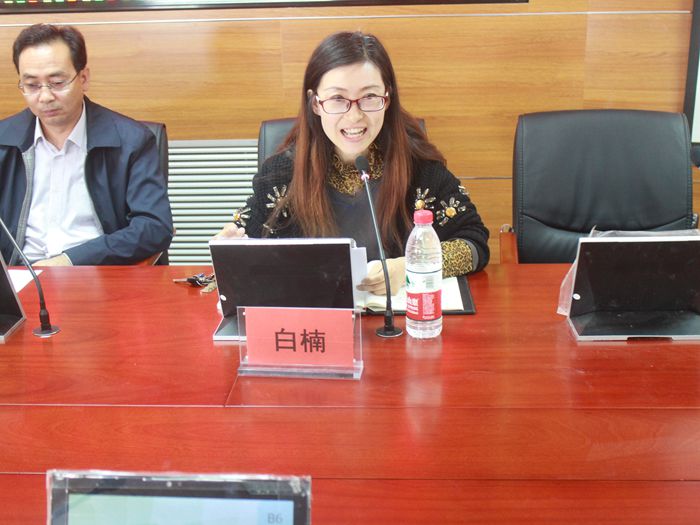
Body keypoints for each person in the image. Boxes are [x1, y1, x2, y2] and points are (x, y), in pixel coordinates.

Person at [217, 31, 489, 293]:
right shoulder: (281, 175)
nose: (355, 116)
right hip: (319, 317)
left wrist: (411, 265)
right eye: (338, 99)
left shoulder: (419, 167)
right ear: (315, 104)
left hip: (398, 317)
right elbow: (247, 246)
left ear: (387, 99)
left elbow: (474, 242)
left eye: (369, 97)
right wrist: (229, 248)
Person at [0, 24, 173, 266]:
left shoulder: (132, 140)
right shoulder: (4, 141)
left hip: (96, 271)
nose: (45, 96)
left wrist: (69, 260)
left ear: (83, 78)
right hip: (19, 274)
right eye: (32, 85)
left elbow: (154, 227)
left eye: (57, 82)